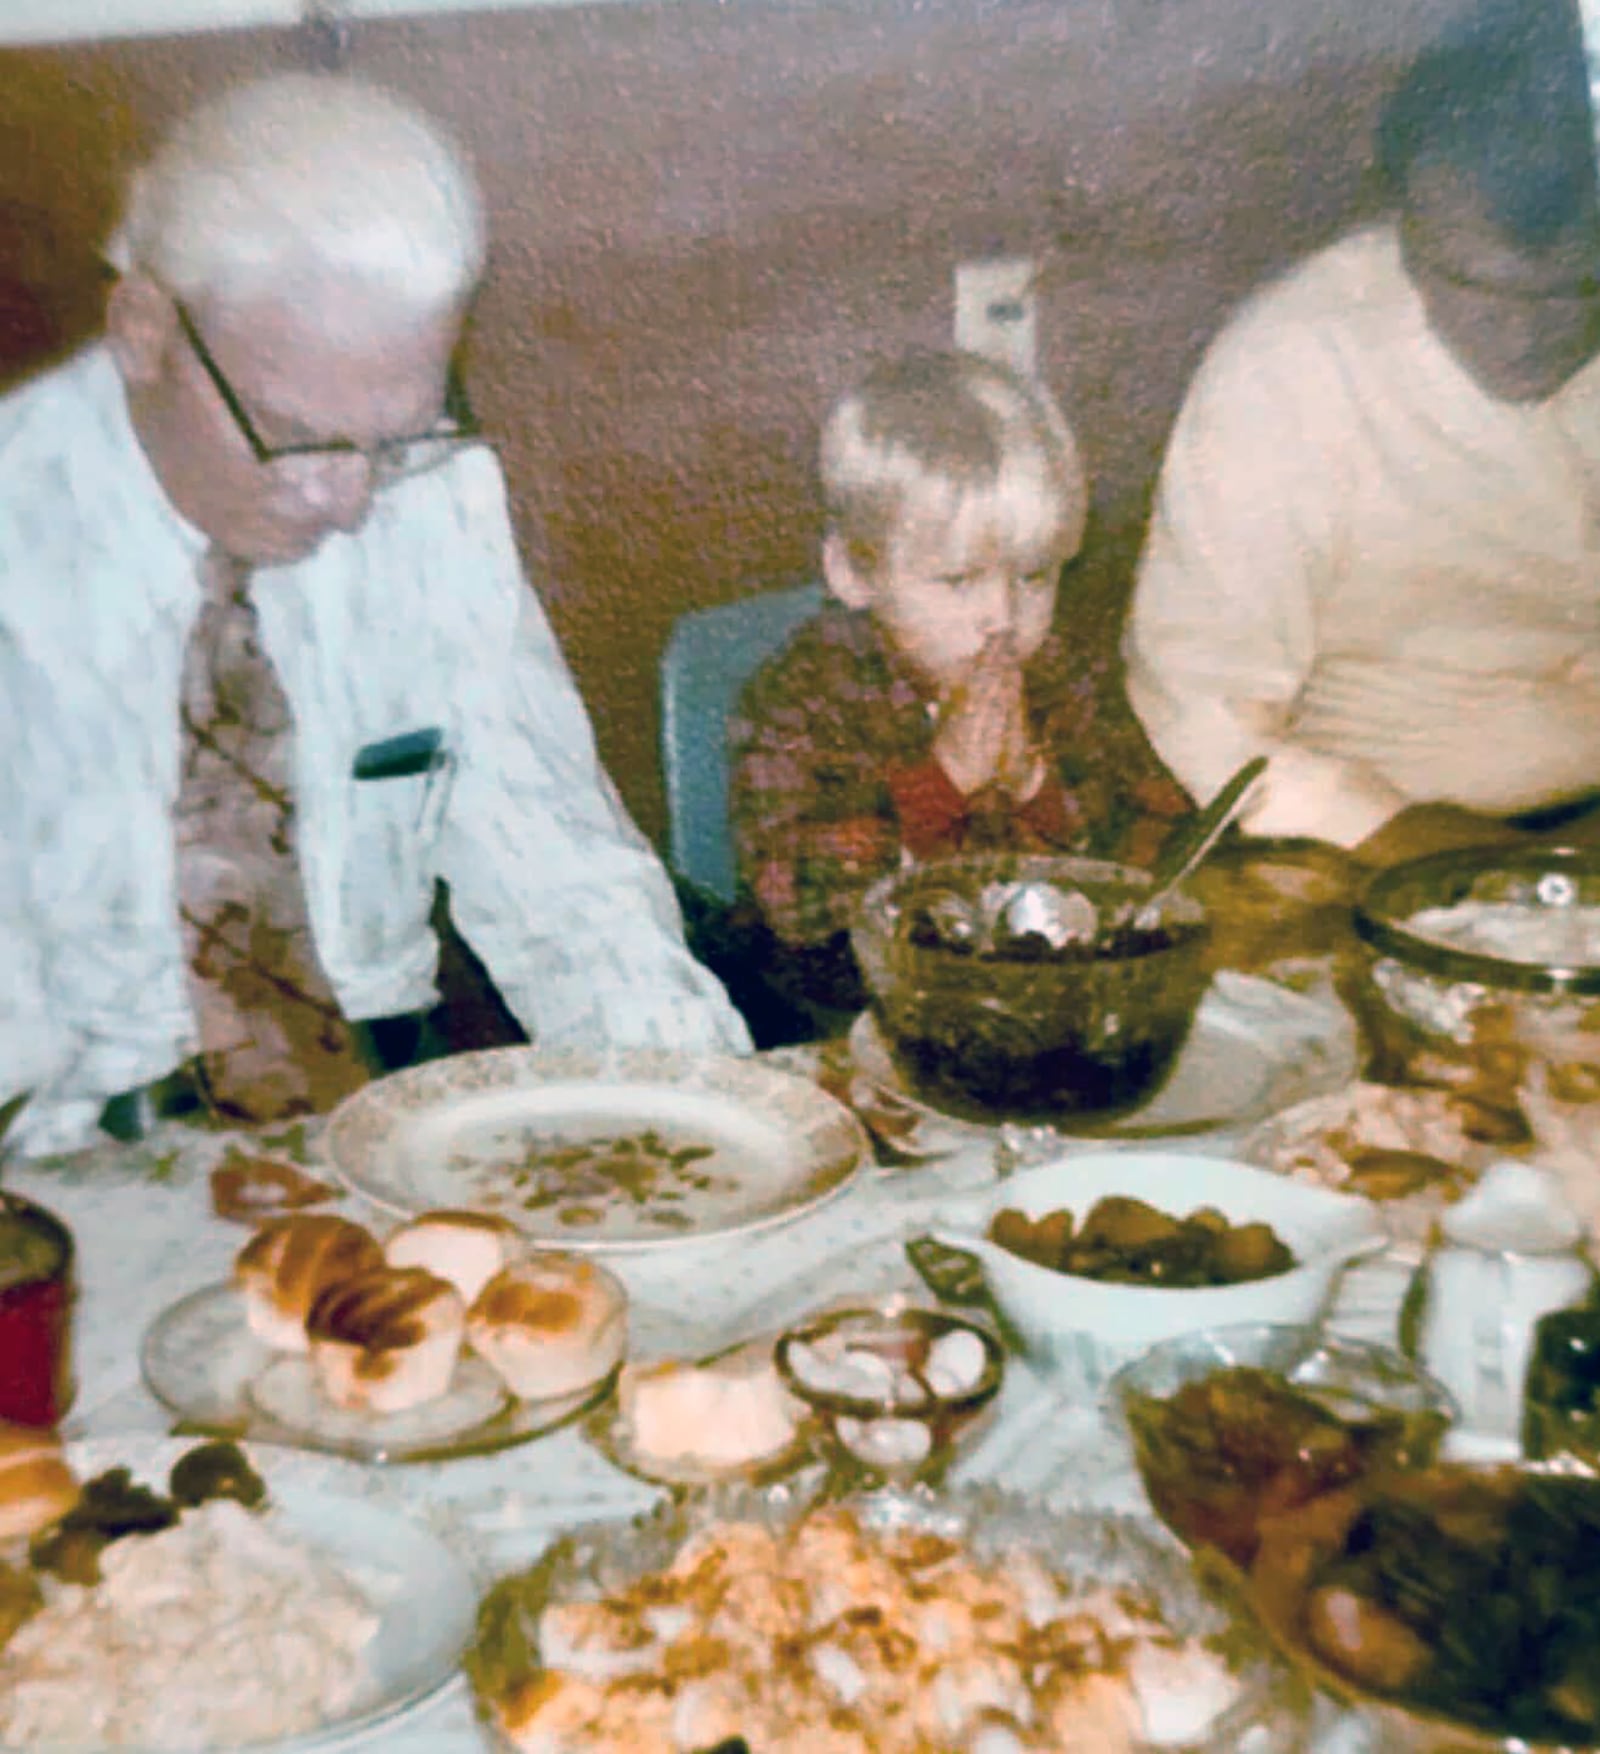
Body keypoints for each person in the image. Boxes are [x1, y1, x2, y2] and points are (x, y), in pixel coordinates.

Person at [0, 72, 749, 1158]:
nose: (351, 499)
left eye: (398, 433)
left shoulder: (431, 497)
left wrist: (704, 1120)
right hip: (67, 1168)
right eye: (295, 435)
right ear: (144, 329)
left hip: (379, 1119)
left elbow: (561, 874)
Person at [1121, 0, 1600, 870]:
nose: (1521, 334)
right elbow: (1207, 719)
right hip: (1369, 847)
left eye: (1570, 293)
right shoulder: (1292, 363)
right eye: (1471, 284)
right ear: (1408, 221)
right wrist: (1471, 865)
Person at [728, 349, 1190, 1028]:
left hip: (1041, 1009)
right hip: (858, 1015)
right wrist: (942, 782)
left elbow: (1158, 837)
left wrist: (1039, 790)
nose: (1002, 618)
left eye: (1034, 576)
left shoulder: (1064, 673)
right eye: (957, 580)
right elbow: (790, 901)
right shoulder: (802, 696)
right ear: (854, 571)